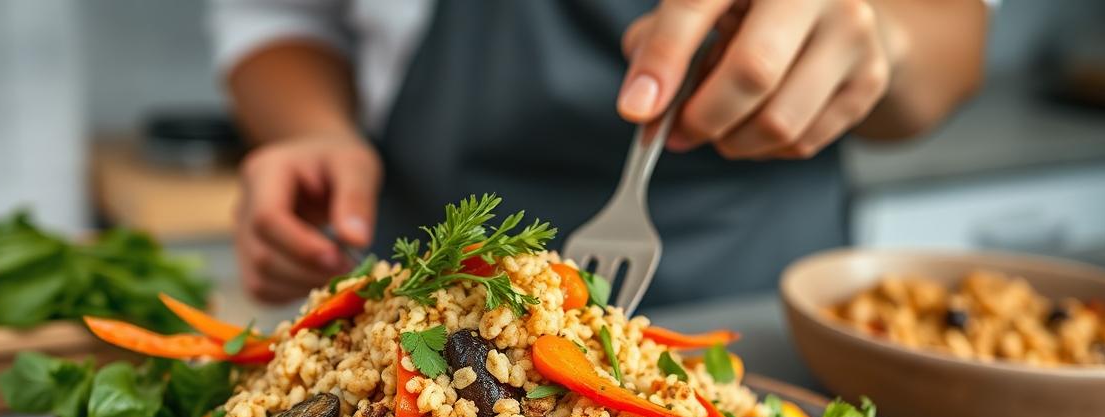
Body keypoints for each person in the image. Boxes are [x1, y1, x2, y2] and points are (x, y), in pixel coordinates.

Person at [210, 0, 988, 307]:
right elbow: (277, 18)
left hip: (759, 295)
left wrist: (884, 40)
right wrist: (313, 129)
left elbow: (953, 46)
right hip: (422, 277)